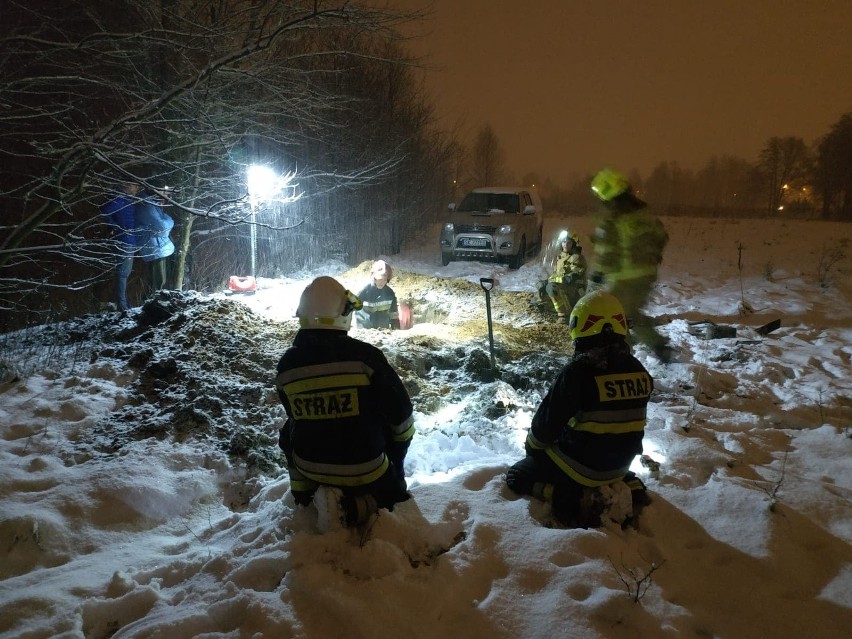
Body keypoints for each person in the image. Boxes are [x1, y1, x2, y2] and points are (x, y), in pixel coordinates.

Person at [275, 276, 415, 529]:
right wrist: (396, 461)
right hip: (367, 469)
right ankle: (362, 506)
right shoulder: (366, 358)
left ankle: (304, 497)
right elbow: (401, 413)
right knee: (386, 423)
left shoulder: (286, 366)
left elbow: (293, 413)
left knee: (290, 428)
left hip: (309, 466)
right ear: (343, 314)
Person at [506, 290, 652, 528]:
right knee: (607, 449)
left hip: (582, 468)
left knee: (517, 475)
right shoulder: (640, 371)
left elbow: (544, 429)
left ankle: (570, 497)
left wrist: (533, 451)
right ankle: (630, 485)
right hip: (621, 464)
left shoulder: (577, 373)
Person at [588, 168, 671, 361]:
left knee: (615, 317)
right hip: (647, 275)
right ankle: (659, 347)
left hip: (624, 277)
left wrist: (598, 274)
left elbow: (606, 250)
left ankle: (621, 357)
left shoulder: (612, 218)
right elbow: (662, 237)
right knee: (630, 315)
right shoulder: (643, 213)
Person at [100, 180, 140, 310]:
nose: (137, 189)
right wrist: (115, 226)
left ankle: (120, 302)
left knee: (123, 273)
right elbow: (104, 211)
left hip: (128, 239)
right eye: (135, 186)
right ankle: (122, 305)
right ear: (127, 186)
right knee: (123, 273)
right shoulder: (120, 199)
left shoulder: (126, 199)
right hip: (124, 240)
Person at [135, 185, 175, 294]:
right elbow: (162, 226)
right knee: (157, 282)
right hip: (154, 248)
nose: (166, 199)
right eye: (164, 194)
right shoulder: (146, 205)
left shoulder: (152, 204)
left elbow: (163, 223)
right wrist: (168, 221)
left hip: (158, 247)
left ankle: (154, 304)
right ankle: (152, 306)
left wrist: (166, 221)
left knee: (159, 281)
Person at [542, 229, 587, 322]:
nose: (565, 245)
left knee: (552, 287)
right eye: (563, 242)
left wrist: (551, 281)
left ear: (573, 244)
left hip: (575, 289)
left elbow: (569, 278)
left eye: (569, 243)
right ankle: (553, 308)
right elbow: (557, 274)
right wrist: (545, 282)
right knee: (540, 290)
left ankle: (565, 314)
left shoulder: (577, 258)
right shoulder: (561, 257)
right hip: (565, 288)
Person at [355, 259, 400, 329]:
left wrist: (396, 329)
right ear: (373, 278)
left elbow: (393, 313)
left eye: (384, 280)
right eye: (379, 279)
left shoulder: (390, 293)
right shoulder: (364, 291)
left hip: (383, 331)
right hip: (365, 331)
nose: (382, 282)